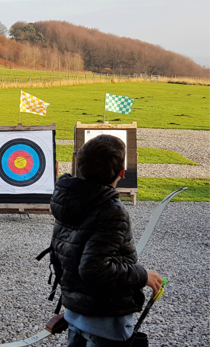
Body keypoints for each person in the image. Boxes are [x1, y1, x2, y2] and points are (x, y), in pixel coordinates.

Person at [47, 134, 164, 347]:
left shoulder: (70, 199)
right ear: (122, 172)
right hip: (105, 320)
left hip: (77, 312)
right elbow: (93, 269)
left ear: (79, 165)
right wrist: (143, 276)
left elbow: (62, 253)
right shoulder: (111, 211)